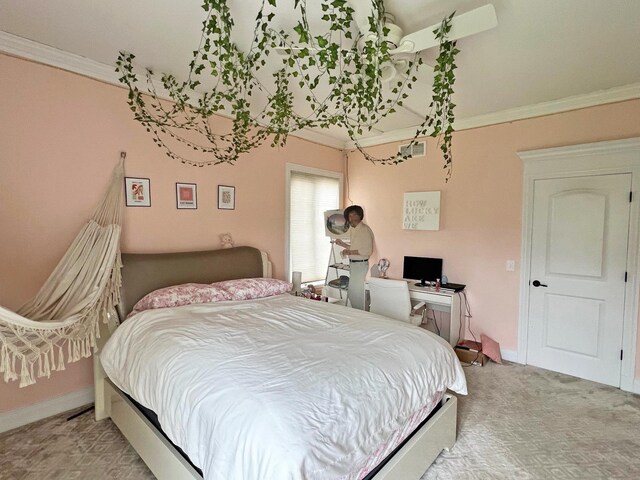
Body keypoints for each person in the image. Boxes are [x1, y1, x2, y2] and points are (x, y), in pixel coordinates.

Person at [336, 205, 374, 310]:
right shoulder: (354, 230)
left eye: (349, 216)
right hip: (354, 264)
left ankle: (360, 315)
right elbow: (355, 248)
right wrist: (343, 244)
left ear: (355, 216)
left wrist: (350, 251)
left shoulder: (365, 230)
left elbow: (367, 251)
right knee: (353, 293)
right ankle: (357, 314)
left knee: (355, 294)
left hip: (360, 264)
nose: (349, 219)